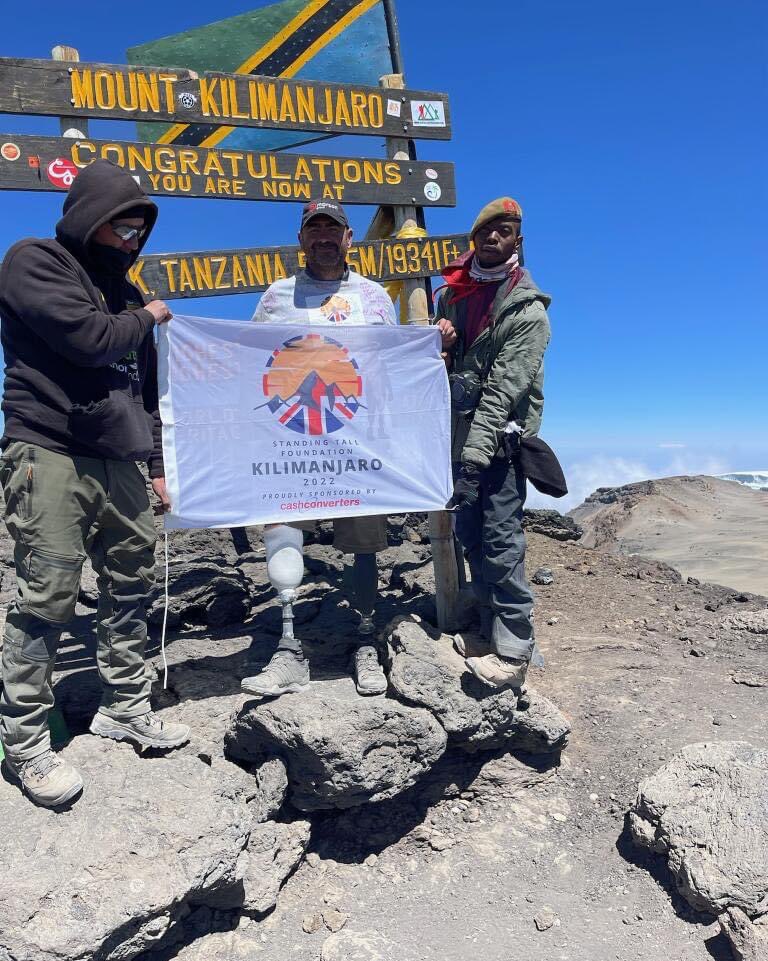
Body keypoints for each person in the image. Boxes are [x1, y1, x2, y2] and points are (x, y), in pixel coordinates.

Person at [0, 159, 190, 808]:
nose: (133, 240)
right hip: (49, 450)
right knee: (48, 593)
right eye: (122, 226)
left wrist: (158, 465)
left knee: (131, 581)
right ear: (91, 218)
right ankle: (24, 741)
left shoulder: (131, 296)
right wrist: (150, 316)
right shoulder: (35, 261)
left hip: (122, 461)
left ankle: (124, 706)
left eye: (141, 229)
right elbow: (86, 338)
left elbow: (147, 390)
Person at [241, 199, 453, 699]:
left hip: (357, 439)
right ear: (301, 241)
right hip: (291, 436)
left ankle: (363, 639)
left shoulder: (374, 297)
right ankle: (289, 648)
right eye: (313, 230)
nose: (323, 239)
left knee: (363, 539)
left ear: (349, 238)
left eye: (332, 230)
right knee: (284, 530)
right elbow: (248, 359)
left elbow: (389, 362)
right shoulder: (275, 298)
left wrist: (430, 344)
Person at [436, 197, 552, 691]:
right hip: (458, 440)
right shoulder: (453, 297)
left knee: (502, 543)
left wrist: (471, 462)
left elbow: (502, 395)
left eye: (503, 231)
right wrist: (438, 342)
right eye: (485, 231)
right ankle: (485, 631)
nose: (492, 238)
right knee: (472, 536)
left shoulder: (528, 314)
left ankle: (513, 651)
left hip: (498, 445)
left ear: (517, 242)